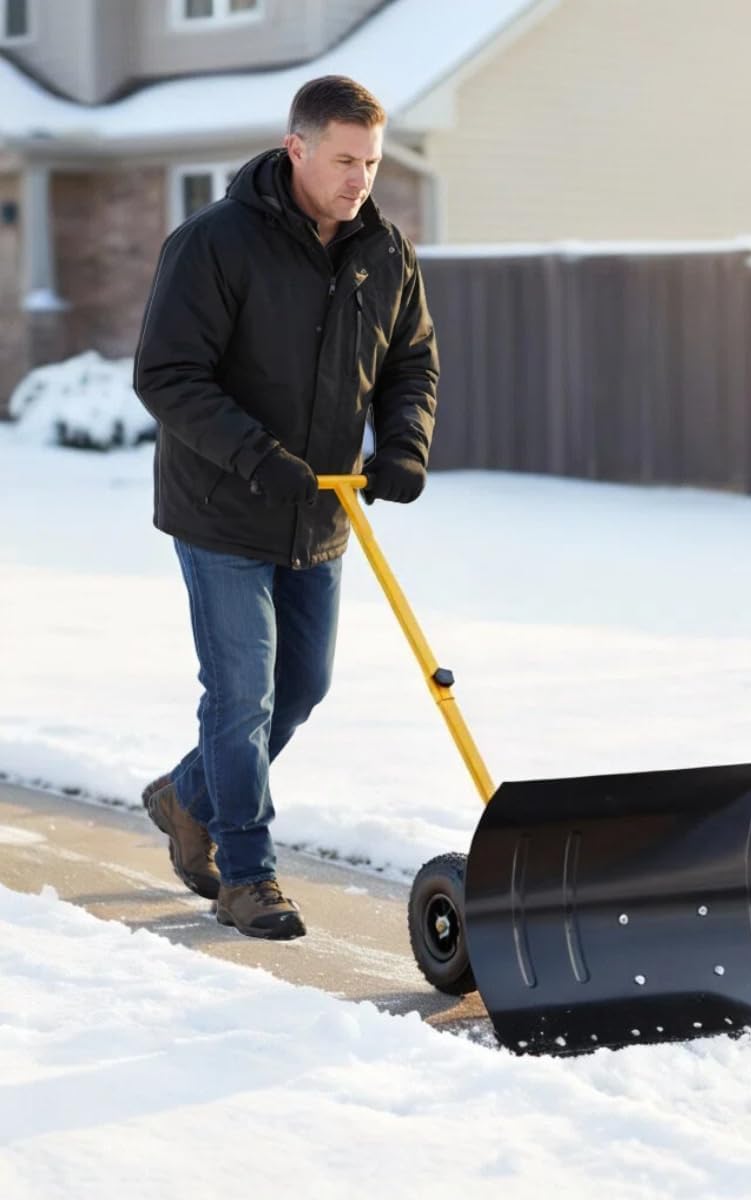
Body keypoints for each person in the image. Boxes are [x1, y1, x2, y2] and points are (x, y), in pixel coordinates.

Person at [134, 75, 438, 940]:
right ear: (296, 147)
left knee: (301, 686)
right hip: (223, 506)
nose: (359, 179)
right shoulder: (214, 243)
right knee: (242, 697)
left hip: (319, 514)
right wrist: (258, 458)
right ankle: (246, 873)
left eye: (372, 161)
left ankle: (186, 796)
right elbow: (167, 375)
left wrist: (404, 446)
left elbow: (411, 361)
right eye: (344, 159)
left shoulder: (386, 252)